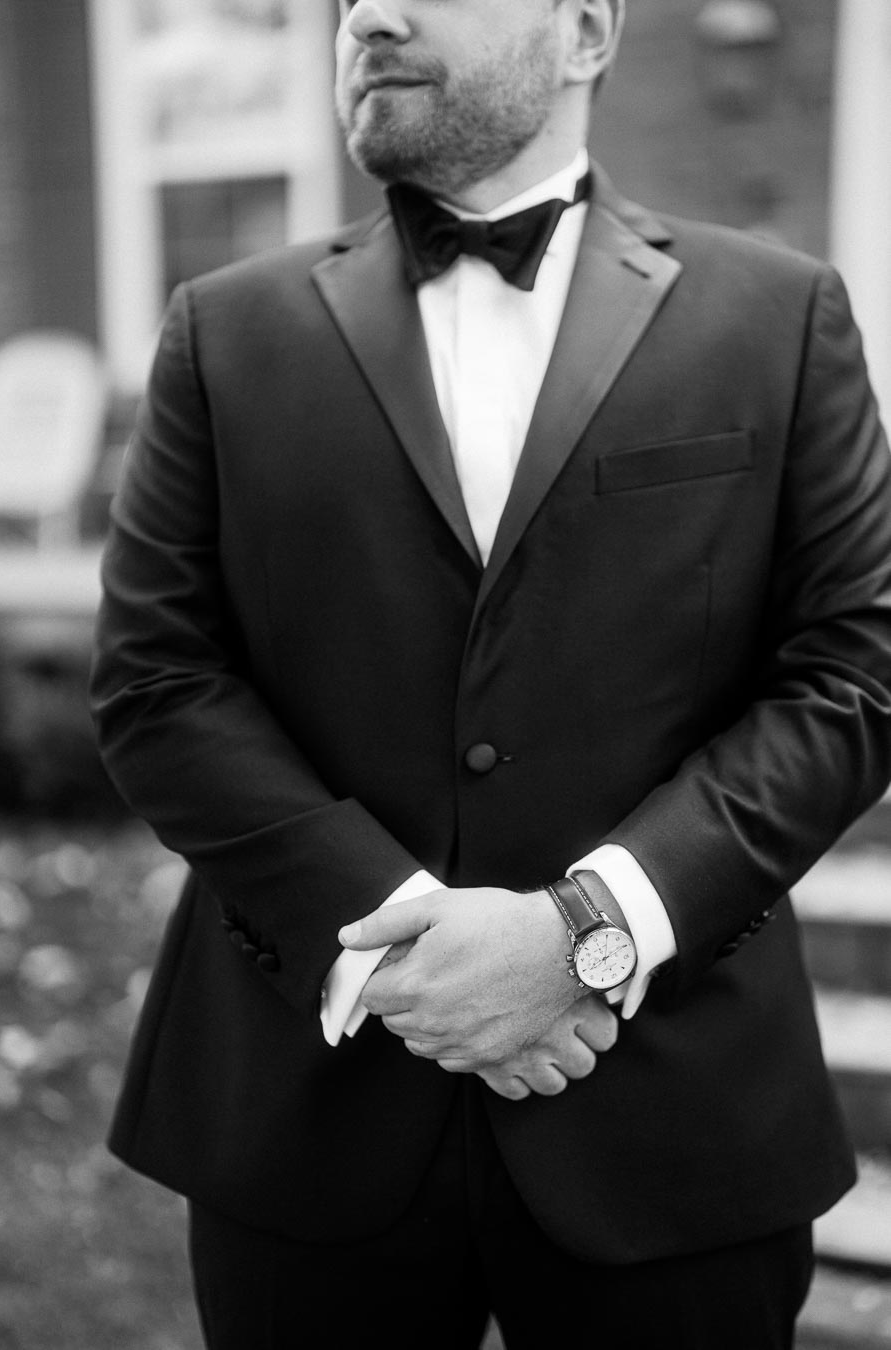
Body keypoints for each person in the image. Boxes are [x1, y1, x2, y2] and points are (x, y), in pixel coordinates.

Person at [90, 1, 891, 1346]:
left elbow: (855, 667)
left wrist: (590, 928)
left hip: (673, 1122)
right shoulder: (220, 330)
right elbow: (158, 681)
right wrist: (411, 946)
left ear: (584, 29)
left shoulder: (778, 313)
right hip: (309, 1113)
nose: (368, 17)